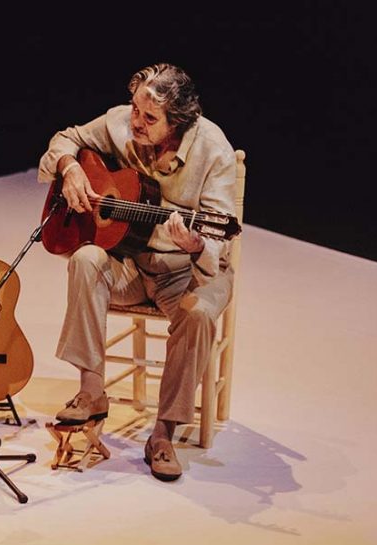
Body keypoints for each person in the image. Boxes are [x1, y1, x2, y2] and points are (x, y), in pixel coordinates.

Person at [37, 63, 236, 481]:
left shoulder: (214, 151)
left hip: (188, 271)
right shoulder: (123, 124)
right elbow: (64, 139)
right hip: (133, 263)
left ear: (177, 121)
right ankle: (92, 392)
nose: (136, 123)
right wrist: (70, 168)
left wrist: (196, 243)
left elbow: (218, 236)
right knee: (86, 258)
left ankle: (163, 432)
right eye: (134, 110)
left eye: (149, 118)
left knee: (198, 314)